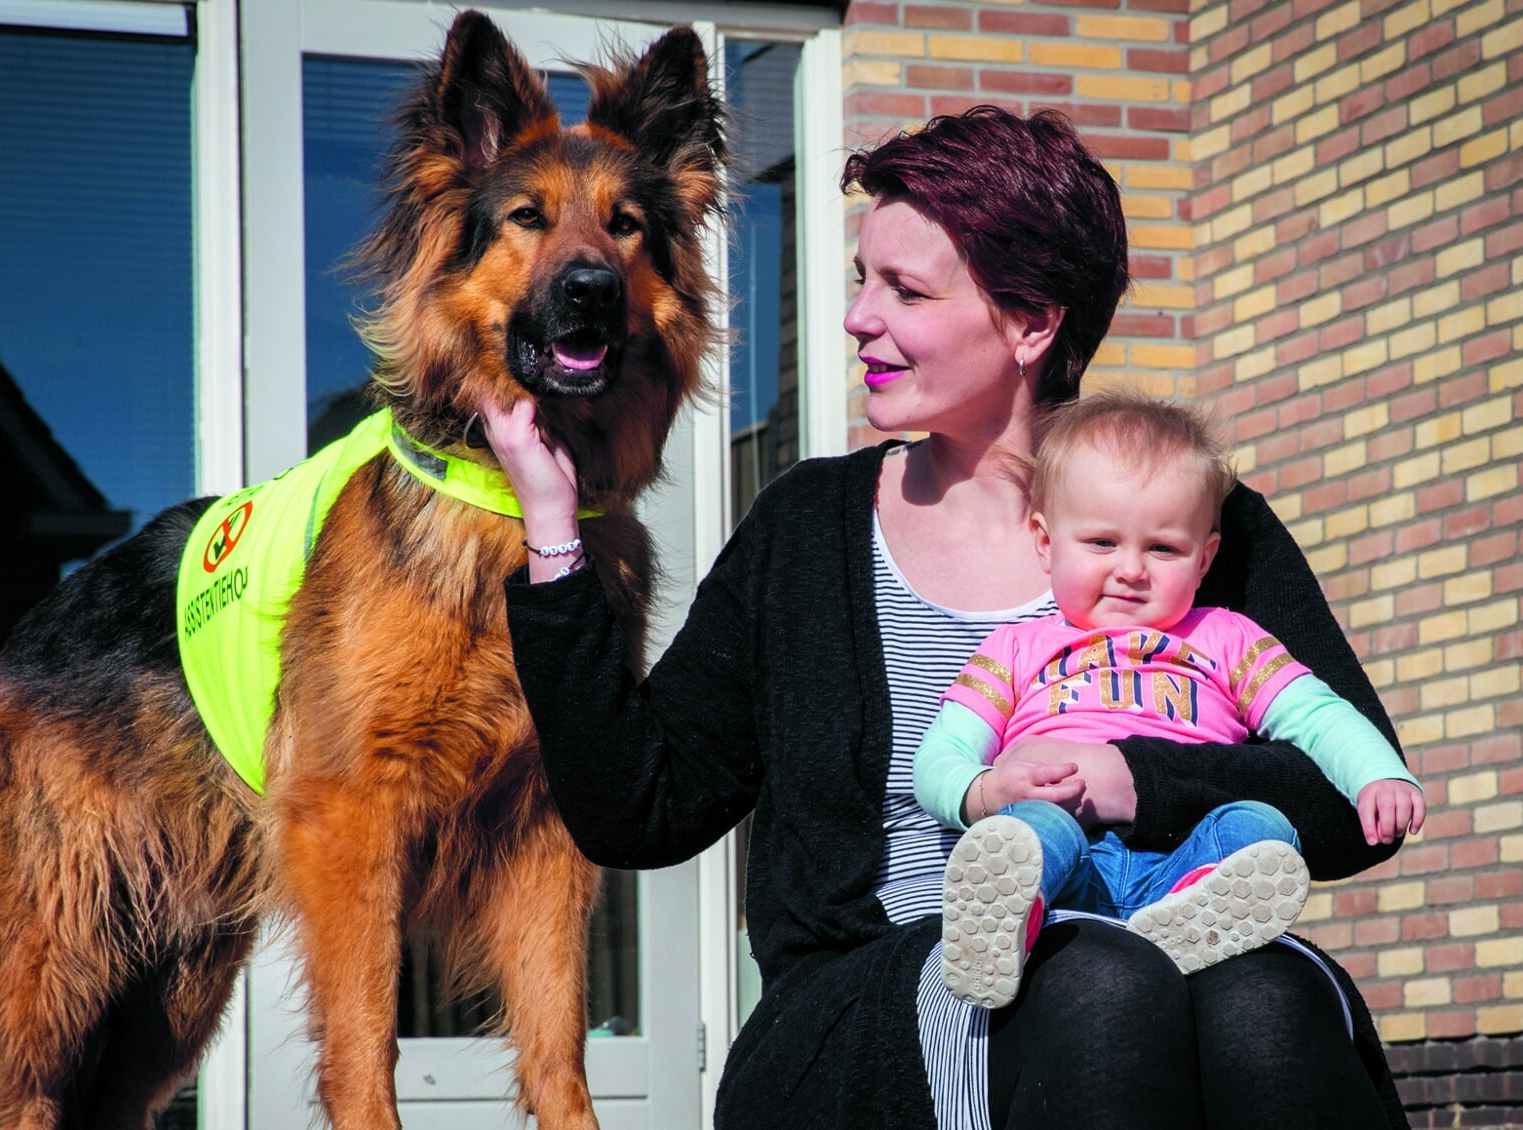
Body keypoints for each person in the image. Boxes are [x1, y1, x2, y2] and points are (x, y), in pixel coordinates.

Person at [484, 105, 1411, 1129]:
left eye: (905, 290)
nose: (857, 318)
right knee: (1100, 980)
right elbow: (635, 807)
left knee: (1265, 997)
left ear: (1031, 324)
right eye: (860, 280)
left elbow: (1346, 794)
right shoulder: (807, 530)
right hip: (866, 1007)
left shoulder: (1199, 525)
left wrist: (1136, 780)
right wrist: (554, 530)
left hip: (1165, 937)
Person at [910, 391, 1425, 1010]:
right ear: (1047, 543)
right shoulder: (1018, 648)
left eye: (1163, 549)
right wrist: (985, 792)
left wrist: (1379, 775)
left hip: (1183, 850)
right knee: (1029, 834)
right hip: (1070, 847)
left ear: (1205, 558)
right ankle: (1010, 926)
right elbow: (941, 751)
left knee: (1262, 828)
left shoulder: (1227, 636)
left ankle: (1197, 916)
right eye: (1102, 542)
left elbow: (1318, 715)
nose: (1131, 569)